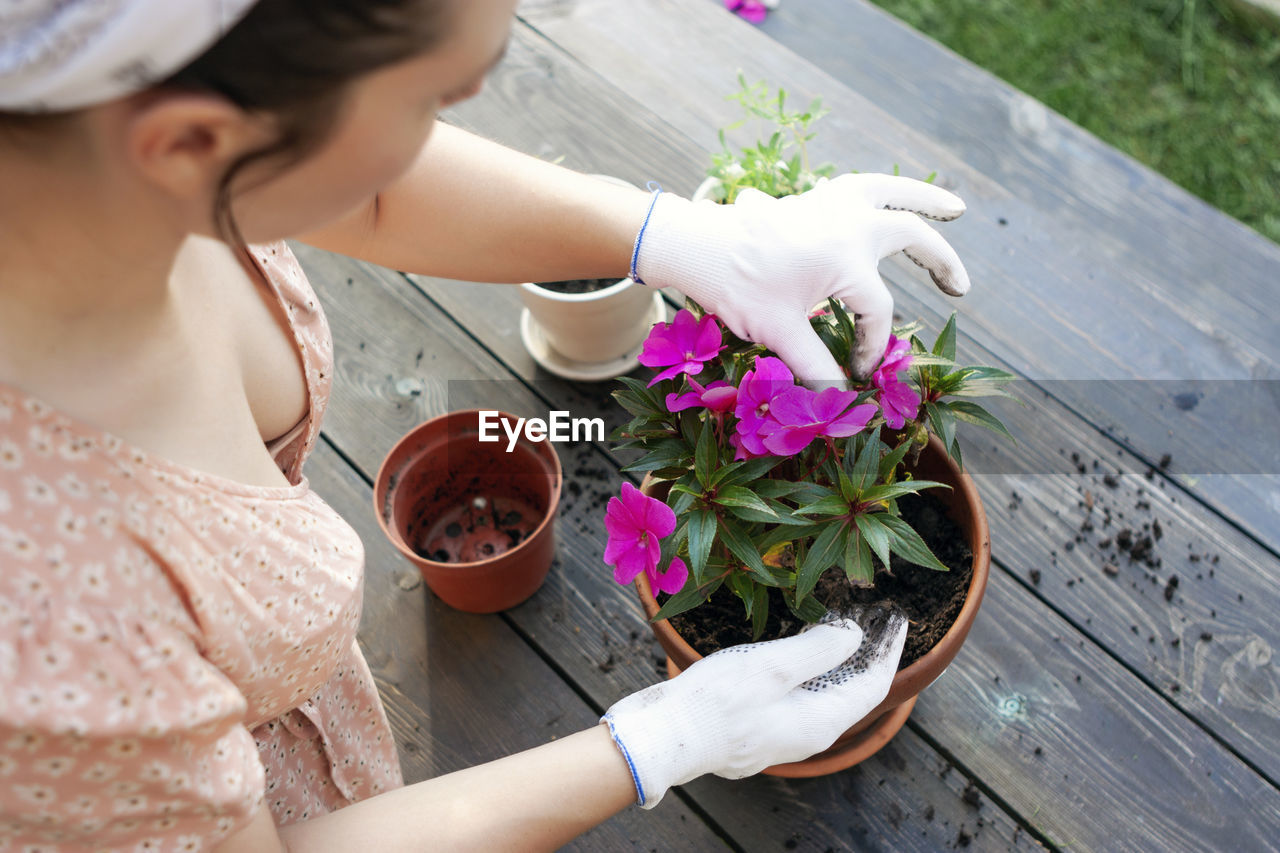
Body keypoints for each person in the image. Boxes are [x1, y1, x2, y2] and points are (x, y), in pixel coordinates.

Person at [0, 1, 970, 849]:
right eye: (431, 99)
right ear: (191, 142)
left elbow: (371, 187)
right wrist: (662, 742)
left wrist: (682, 237)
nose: (447, 124)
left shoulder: (89, 165)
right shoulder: (50, 623)